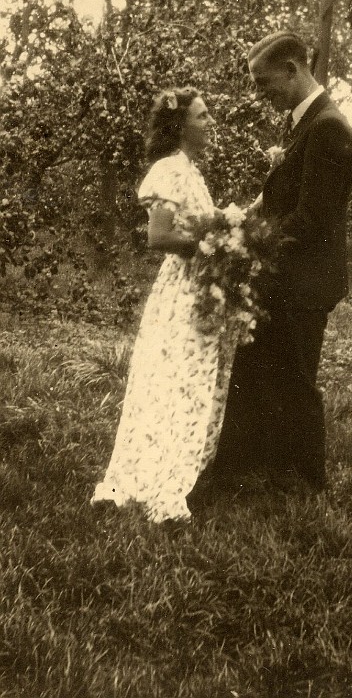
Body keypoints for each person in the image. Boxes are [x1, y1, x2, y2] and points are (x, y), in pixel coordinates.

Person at [211, 31, 352, 492]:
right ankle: (258, 467)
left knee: (294, 379)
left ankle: (307, 481)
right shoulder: (302, 121)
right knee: (262, 372)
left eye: (263, 83)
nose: (260, 94)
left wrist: (250, 243)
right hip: (285, 275)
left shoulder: (328, 127)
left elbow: (312, 219)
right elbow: (283, 196)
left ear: (292, 70)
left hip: (305, 280)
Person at [91, 86, 235, 523]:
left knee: (185, 383)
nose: (210, 122)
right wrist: (211, 245)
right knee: (173, 382)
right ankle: (157, 484)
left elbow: (198, 225)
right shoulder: (169, 169)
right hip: (182, 293)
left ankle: (170, 471)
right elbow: (159, 237)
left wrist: (231, 228)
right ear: (180, 125)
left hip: (197, 288)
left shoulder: (190, 170)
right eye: (202, 116)